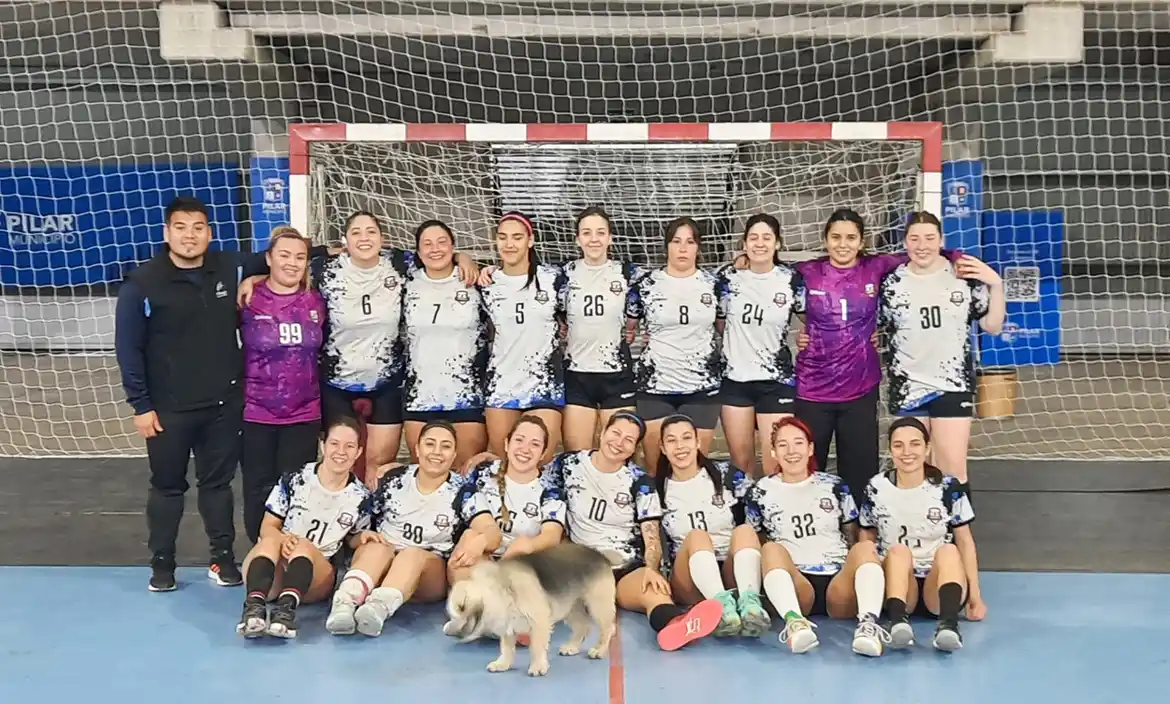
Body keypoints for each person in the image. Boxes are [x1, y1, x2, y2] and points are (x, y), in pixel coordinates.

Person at [237, 211, 478, 484]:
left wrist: (463, 257)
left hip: (386, 383)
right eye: (356, 232)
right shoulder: (324, 269)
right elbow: (278, 263)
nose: (364, 238)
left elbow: (435, 254)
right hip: (337, 384)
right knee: (342, 463)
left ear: (383, 239)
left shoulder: (400, 264)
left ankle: (373, 511)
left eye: (371, 232)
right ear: (345, 241)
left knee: (379, 466)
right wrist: (254, 278)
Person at [116, 195, 270, 591]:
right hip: (167, 410)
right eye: (181, 228)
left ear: (209, 233)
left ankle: (222, 559)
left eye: (198, 228)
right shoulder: (143, 283)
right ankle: (162, 564)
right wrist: (140, 405)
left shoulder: (230, 266)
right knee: (168, 486)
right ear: (167, 232)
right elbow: (128, 349)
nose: (190, 236)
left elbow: (281, 256)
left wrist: (334, 250)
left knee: (217, 486)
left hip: (222, 406)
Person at [791, 208, 960, 506]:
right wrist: (742, 261)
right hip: (813, 389)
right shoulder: (807, 272)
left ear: (862, 241)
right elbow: (770, 270)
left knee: (860, 474)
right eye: (836, 237)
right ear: (825, 240)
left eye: (850, 238)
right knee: (808, 471)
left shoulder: (877, 267)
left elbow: (920, 251)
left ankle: (861, 530)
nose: (843, 244)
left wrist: (957, 257)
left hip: (860, 388)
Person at [529, 412, 724, 651]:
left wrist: (652, 568)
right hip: (582, 565)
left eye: (629, 440)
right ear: (602, 432)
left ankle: (675, 625)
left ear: (634, 448)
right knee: (547, 585)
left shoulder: (639, 481)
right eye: (616, 433)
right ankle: (523, 626)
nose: (619, 443)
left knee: (653, 590)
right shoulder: (569, 464)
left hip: (625, 568)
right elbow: (533, 475)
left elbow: (651, 533)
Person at [744, 417, 889, 656]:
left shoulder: (834, 486)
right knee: (770, 549)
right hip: (797, 581)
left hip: (837, 582)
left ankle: (868, 626)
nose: (791, 451)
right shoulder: (761, 491)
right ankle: (795, 623)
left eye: (798, 443)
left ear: (810, 448)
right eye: (783, 445)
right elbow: (757, 538)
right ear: (773, 452)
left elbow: (852, 533)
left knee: (865, 548)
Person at [879, 212, 1006, 482]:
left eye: (929, 238)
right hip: (908, 387)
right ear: (905, 242)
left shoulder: (963, 277)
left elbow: (993, 326)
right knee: (912, 469)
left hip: (952, 386)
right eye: (914, 238)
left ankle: (957, 513)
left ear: (941, 240)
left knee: (952, 470)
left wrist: (996, 284)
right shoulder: (891, 283)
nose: (922, 245)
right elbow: (873, 326)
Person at [324, 421, 466, 636]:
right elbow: (357, 528)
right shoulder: (393, 480)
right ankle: (344, 605)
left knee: (411, 554)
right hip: (383, 563)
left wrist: (476, 540)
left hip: (428, 572)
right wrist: (361, 536)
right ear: (417, 449)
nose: (437, 452)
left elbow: (484, 527)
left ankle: (376, 609)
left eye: (445, 446)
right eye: (430, 444)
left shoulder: (463, 490)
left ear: (454, 455)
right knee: (376, 546)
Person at [236, 417, 372, 638]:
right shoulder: (296, 478)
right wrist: (282, 539)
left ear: (358, 452)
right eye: (334, 444)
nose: (341, 452)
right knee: (269, 541)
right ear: (323, 446)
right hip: (276, 567)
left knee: (303, 545)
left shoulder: (361, 497)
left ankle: (285, 612)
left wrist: (365, 537)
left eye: (349, 446)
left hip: (316, 574)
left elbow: (352, 539)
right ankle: (254, 608)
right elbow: (268, 526)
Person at [859, 418, 987, 652]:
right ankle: (897, 622)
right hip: (898, 585)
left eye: (915, 444)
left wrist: (975, 596)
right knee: (899, 551)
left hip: (936, 586)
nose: (907, 452)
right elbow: (866, 538)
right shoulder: (876, 487)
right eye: (898, 445)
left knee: (949, 550)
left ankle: (948, 626)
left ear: (927, 448)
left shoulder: (948, 487)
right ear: (890, 450)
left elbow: (965, 541)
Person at [238, 226, 327, 543]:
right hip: (256, 412)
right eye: (284, 255)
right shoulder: (248, 298)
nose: (292, 263)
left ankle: (291, 552)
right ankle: (261, 551)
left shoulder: (316, 300)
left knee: (297, 488)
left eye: (300, 257)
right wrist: (252, 278)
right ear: (269, 259)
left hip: (304, 413)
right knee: (258, 487)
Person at [652, 415, 769, 638]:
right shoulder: (655, 489)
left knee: (745, 530)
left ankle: (750, 605)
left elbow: (762, 503)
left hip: (731, 569)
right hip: (688, 576)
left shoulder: (725, 474)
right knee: (698, 536)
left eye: (686, 438)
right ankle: (720, 608)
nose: (680, 446)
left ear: (698, 442)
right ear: (663, 448)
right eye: (672, 440)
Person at [625, 217, 724, 472]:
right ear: (666, 246)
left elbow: (726, 328)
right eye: (676, 241)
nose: (682, 248)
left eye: (690, 242)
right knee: (655, 468)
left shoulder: (714, 285)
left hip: (702, 387)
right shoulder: (646, 285)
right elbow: (627, 329)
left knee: (692, 468)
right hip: (655, 386)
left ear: (698, 247)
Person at [716, 214, 804, 476]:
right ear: (744, 244)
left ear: (777, 243)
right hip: (735, 380)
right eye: (753, 238)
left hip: (775, 381)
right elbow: (718, 321)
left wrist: (807, 335)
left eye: (767, 237)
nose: (760, 243)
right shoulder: (728, 278)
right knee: (741, 465)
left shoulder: (791, 280)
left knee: (774, 465)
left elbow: (811, 318)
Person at [478, 212, 567, 463]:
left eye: (517, 237)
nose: (509, 244)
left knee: (539, 463)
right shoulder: (486, 283)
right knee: (506, 464)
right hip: (502, 385)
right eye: (503, 237)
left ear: (530, 240)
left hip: (544, 385)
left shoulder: (554, 279)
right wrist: (462, 258)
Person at [402, 220, 489, 469]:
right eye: (427, 244)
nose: (435, 249)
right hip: (420, 397)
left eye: (442, 242)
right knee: (427, 474)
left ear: (453, 246)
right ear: (418, 252)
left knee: (465, 476)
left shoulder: (475, 281)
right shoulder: (405, 281)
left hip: (467, 397)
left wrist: (465, 259)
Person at [558, 207, 642, 450]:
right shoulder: (562, 275)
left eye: (600, 232)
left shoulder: (629, 274)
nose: (593, 239)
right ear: (577, 239)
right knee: (577, 456)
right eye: (586, 233)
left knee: (621, 453)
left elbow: (668, 281)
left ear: (610, 237)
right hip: (577, 374)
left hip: (617, 374)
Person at [447, 414, 550, 582]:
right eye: (519, 440)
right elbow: (485, 527)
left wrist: (524, 546)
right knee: (470, 536)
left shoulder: (550, 490)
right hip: (482, 557)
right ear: (506, 444)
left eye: (535, 444)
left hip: (522, 566)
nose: (525, 449)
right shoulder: (482, 474)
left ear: (543, 453)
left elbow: (552, 536)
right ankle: (470, 595)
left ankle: (490, 592)